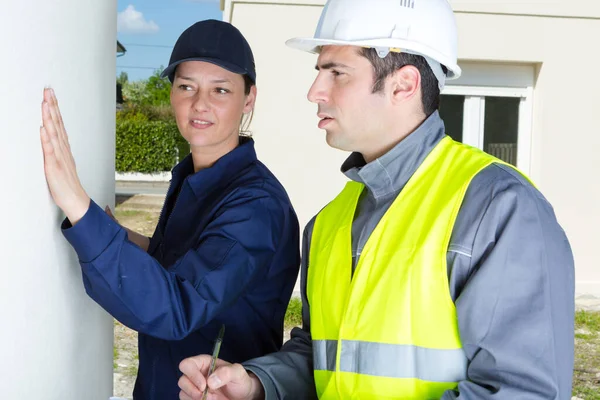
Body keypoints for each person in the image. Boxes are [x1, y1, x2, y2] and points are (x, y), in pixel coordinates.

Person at [177, 1, 575, 399]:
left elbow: (521, 391)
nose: (314, 91)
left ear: (403, 85)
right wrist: (257, 384)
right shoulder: (328, 223)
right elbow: (325, 356)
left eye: (337, 73)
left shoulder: (498, 208)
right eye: (320, 72)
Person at [39, 19, 300, 400]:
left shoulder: (256, 205)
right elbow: (183, 260)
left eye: (220, 90)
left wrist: (76, 203)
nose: (200, 104)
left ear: (249, 99)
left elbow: (179, 305)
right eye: (186, 86)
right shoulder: (194, 177)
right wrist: (116, 233)